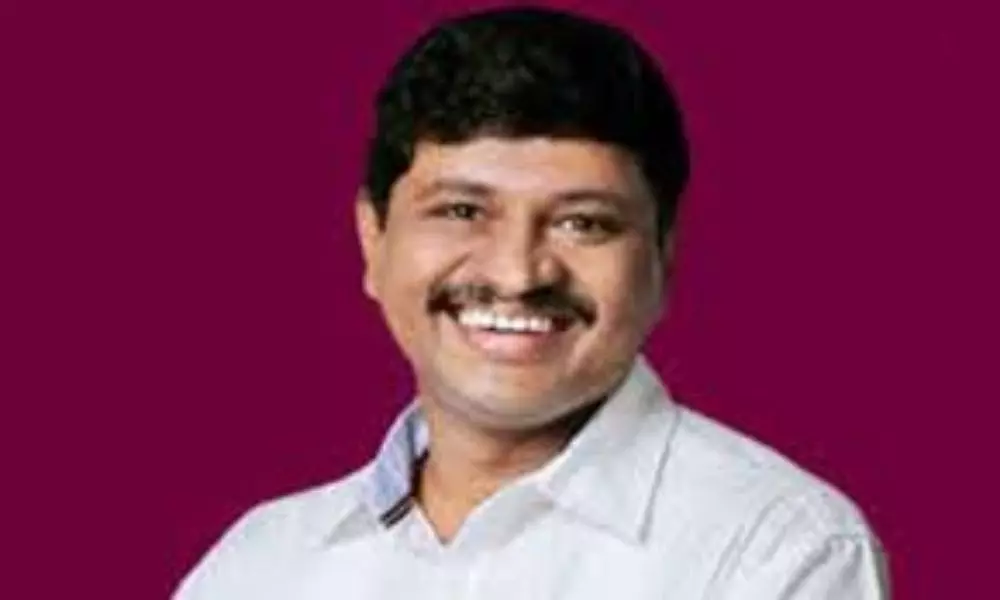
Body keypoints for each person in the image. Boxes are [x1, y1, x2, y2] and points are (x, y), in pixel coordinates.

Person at [174, 6, 889, 599]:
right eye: (461, 211)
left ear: (664, 255)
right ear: (374, 238)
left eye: (583, 222)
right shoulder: (260, 566)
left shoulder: (777, 549)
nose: (517, 274)